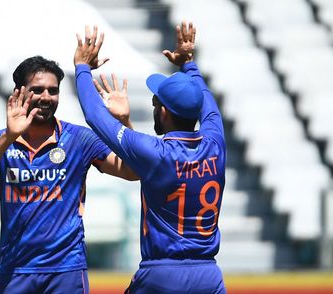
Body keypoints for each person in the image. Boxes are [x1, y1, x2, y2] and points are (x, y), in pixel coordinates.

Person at [73, 22, 227, 293]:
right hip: (209, 275)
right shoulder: (216, 142)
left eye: (156, 103)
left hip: (162, 273)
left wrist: (82, 68)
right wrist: (188, 64)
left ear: (164, 112)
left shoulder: (156, 152)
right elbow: (207, 104)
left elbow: (94, 116)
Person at [0, 55, 137, 293]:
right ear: (19, 92)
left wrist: (124, 122)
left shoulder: (79, 139)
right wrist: (9, 138)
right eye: (37, 90)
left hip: (66, 269)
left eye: (52, 91)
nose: (46, 97)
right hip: (15, 270)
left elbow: (133, 171)